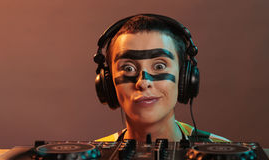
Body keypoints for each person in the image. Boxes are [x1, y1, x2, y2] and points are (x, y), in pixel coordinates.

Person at [93, 14, 229, 143]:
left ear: (184, 77)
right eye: (128, 68)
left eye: (159, 66)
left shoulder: (227, 155)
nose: (143, 82)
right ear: (108, 82)